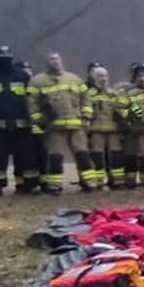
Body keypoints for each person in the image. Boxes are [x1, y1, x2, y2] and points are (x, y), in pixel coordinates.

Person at [0, 45, 41, 196]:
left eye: (7, 58)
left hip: (23, 124)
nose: (5, 61)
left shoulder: (22, 75)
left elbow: (32, 97)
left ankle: (30, 185)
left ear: (12, 58)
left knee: (27, 156)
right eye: (2, 58)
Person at [27, 53, 95, 194]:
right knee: (55, 157)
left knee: (82, 154)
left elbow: (86, 99)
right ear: (47, 63)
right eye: (52, 59)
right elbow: (32, 103)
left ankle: (89, 182)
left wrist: (86, 115)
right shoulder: (37, 81)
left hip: (76, 125)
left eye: (57, 59)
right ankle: (54, 185)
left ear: (62, 61)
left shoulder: (74, 79)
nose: (55, 62)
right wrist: (39, 119)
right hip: (54, 126)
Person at [85, 64, 125, 189]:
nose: (103, 79)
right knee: (97, 155)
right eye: (100, 76)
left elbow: (123, 107)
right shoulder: (89, 94)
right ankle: (98, 181)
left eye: (105, 76)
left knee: (115, 155)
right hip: (96, 129)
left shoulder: (114, 93)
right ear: (94, 78)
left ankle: (117, 181)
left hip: (113, 129)